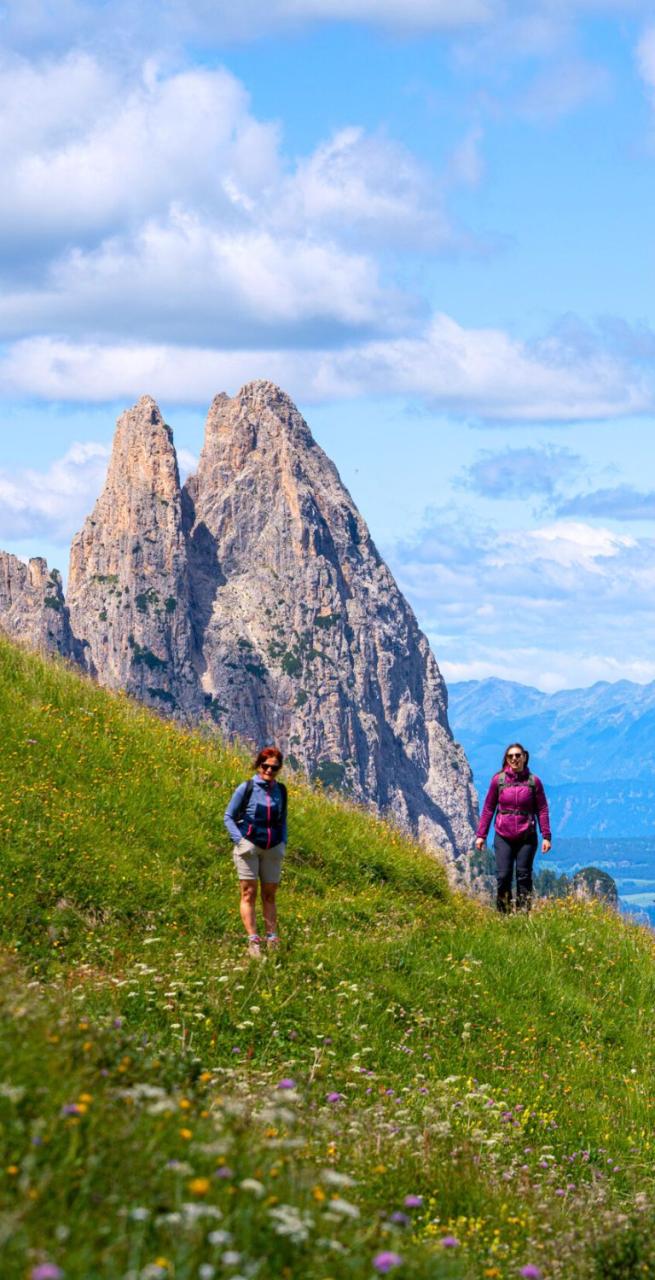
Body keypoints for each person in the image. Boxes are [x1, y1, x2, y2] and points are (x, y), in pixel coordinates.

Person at [224, 746, 287, 957]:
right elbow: (228, 816)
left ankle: (272, 938)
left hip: (273, 848)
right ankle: (253, 941)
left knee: (269, 896)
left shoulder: (282, 791)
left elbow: (283, 820)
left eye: (274, 768)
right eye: (265, 766)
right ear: (258, 765)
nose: (269, 770)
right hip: (249, 846)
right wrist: (240, 842)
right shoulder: (247, 787)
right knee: (248, 893)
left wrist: (283, 844)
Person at [475, 743, 551, 913]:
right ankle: (504, 915)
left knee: (524, 877)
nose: (515, 759)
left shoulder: (533, 782)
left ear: (524, 756)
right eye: (511, 756)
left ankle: (523, 916)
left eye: (518, 755)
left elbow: (542, 809)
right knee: (503, 876)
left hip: (527, 837)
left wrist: (546, 836)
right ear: (507, 759)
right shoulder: (498, 780)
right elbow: (488, 808)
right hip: (503, 836)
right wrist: (482, 835)